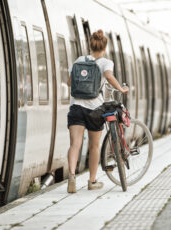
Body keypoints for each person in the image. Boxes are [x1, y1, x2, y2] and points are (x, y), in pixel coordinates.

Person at [67, 29, 129, 193]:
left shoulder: (79, 60)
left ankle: (72, 176)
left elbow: (69, 82)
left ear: (90, 45)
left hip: (76, 107)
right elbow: (108, 76)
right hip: (94, 110)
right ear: (104, 47)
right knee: (94, 146)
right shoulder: (105, 62)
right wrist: (121, 89)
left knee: (75, 144)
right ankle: (92, 181)